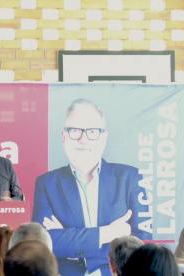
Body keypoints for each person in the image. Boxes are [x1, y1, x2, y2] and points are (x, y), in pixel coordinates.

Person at [32, 98, 152, 276]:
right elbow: (43, 244)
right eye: (75, 131)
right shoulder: (46, 184)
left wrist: (70, 241)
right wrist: (107, 234)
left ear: (104, 138)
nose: (83, 139)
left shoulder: (131, 178)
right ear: (64, 137)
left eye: (93, 131)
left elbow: (143, 246)